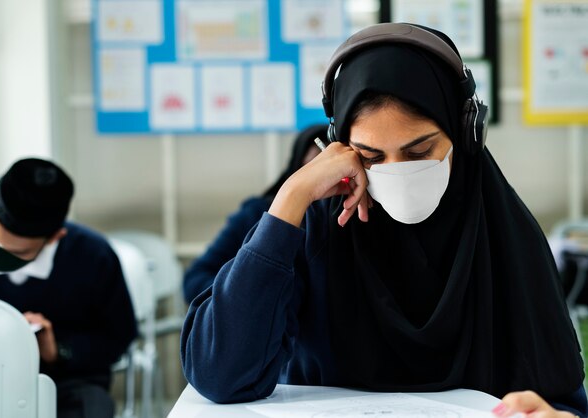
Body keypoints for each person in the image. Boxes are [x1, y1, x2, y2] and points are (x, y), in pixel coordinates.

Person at [180, 22, 588, 416]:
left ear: (465, 135)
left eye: (419, 151)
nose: (397, 172)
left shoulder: (506, 237)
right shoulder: (318, 232)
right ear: (340, 146)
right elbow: (220, 375)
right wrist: (291, 196)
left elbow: (562, 400)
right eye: (371, 157)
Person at [0, 158, 138, 418]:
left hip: (65, 384)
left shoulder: (92, 256)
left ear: (55, 237)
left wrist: (59, 350)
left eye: (15, 252)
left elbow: (118, 337)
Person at [182, 123, 329, 304]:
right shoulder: (259, 215)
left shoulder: (350, 219)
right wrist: (238, 296)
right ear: (296, 171)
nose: (323, 183)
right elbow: (195, 278)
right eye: (313, 170)